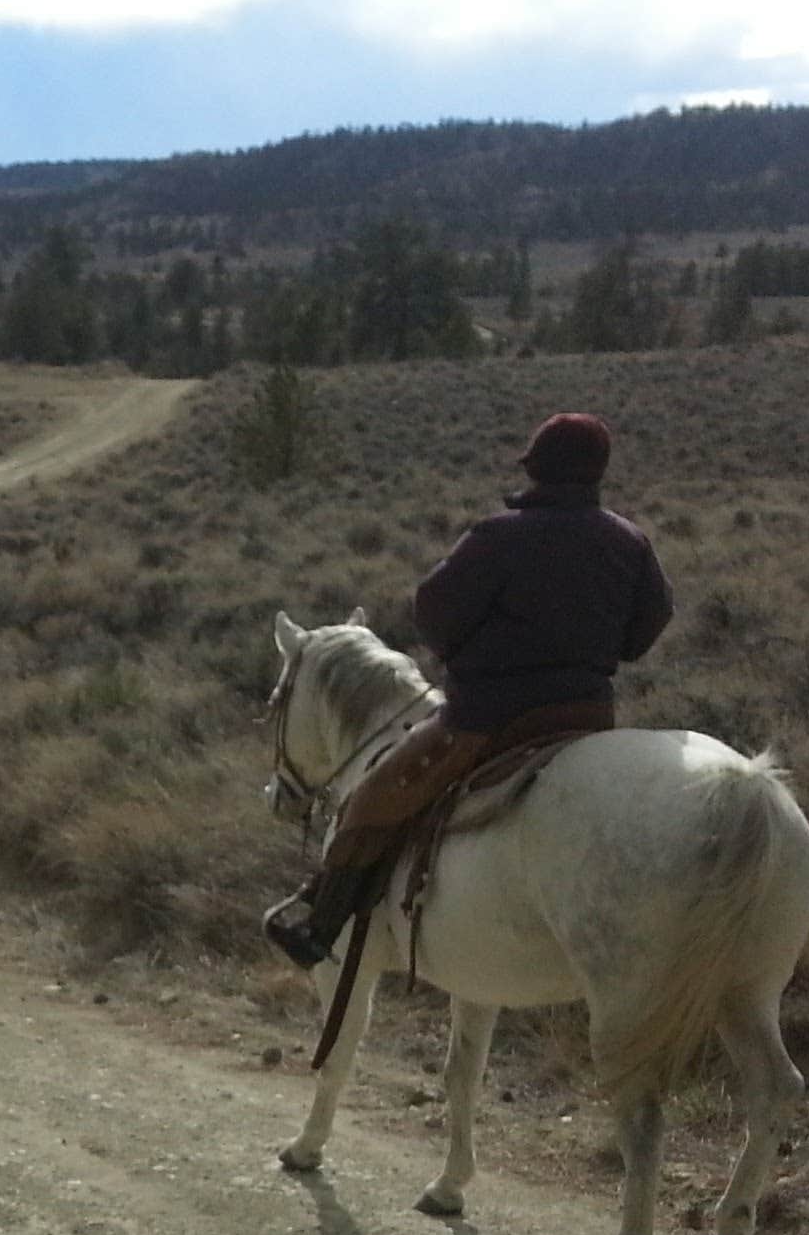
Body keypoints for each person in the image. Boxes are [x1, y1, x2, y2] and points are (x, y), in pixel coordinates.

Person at [265, 411, 673, 968]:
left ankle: (320, 926)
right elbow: (649, 625)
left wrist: (464, 657)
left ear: (538, 469)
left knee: (372, 799)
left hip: (488, 718)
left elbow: (434, 613)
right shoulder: (631, 541)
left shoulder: (499, 535)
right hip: (587, 714)